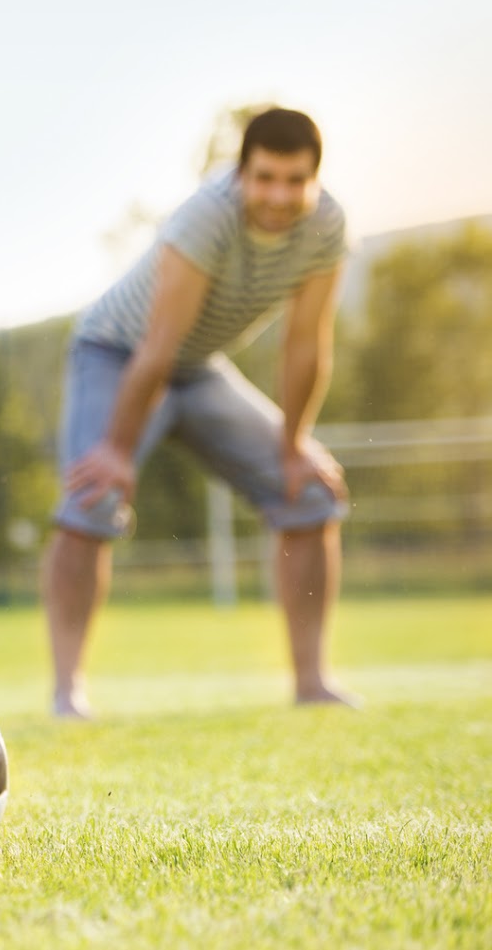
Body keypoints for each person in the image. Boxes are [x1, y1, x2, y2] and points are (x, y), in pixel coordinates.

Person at [41, 107, 356, 719]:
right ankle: (67, 692)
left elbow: (306, 342)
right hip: (118, 354)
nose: (279, 195)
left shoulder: (328, 227)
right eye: (265, 177)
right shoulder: (206, 218)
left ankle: (313, 683)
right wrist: (114, 449)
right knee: (91, 499)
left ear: (315, 180)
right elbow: (155, 347)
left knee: (312, 494)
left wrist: (294, 445)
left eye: (295, 181)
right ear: (242, 173)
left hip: (198, 367)